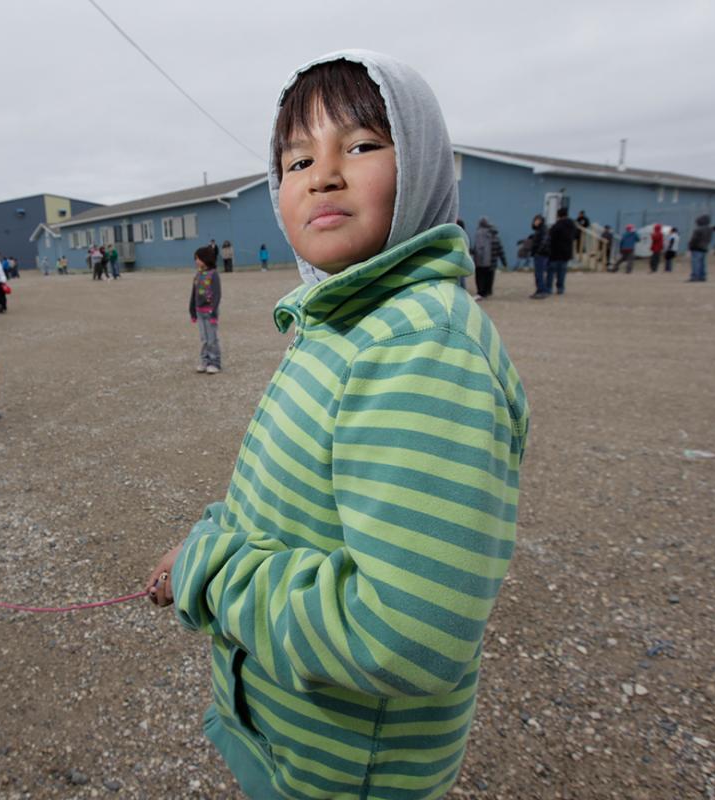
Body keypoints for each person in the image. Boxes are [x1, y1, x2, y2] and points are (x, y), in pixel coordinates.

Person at [145, 51, 529, 800]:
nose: (321, 175)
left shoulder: (417, 346)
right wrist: (209, 534)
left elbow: (409, 636)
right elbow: (294, 501)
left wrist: (214, 574)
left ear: (421, 166)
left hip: (346, 776)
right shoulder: (343, 321)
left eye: (359, 146)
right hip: (295, 744)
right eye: (295, 160)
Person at [188, 245, 221, 374]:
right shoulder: (197, 275)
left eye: (198, 258)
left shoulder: (213, 275)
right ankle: (205, 361)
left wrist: (213, 313)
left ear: (205, 259)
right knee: (204, 339)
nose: (196, 261)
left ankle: (215, 363)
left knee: (212, 339)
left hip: (210, 312)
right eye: (195, 259)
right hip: (199, 312)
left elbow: (217, 294)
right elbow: (193, 294)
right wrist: (192, 310)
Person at [471, 216, 506, 299]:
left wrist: (473, 253)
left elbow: (478, 247)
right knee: (489, 276)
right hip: (492, 261)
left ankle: (481, 292)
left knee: (480, 277)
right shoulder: (495, 235)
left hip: (481, 261)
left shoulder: (479, 233)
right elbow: (500, 249)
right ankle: (488, 291)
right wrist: (504, 261)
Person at [545, 206, 577, 295]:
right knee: (562, 272)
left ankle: (549, 288)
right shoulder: (572, 225)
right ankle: (560, 288)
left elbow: (551, 237)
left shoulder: (557, 226)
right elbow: (575, 236)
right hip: (566, 252)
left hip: (555, 252)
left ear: (558, 215)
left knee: (551, 271)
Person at [528, 213, 549, 298]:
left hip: (541, 254)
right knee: (537, 273)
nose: (535, 222)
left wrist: (538, 251)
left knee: (539, 273)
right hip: (538, 254)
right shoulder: (539, 230)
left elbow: (544, 241)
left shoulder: (543, 229)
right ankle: (539, 290)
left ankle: (542, 291)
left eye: (536, 220)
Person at [688, 215, 712, 282]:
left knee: (695, 263)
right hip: (704, 247)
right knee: (702, 263)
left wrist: (690, 246)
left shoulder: (698, 229)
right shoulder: (709, 229)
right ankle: (702, 276)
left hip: (696, 247)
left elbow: (694, 239)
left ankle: (695, 276)